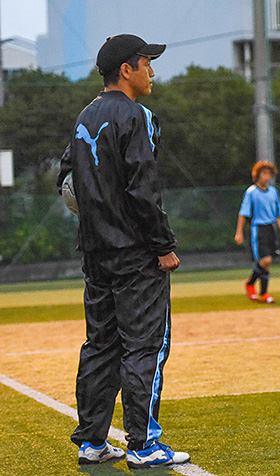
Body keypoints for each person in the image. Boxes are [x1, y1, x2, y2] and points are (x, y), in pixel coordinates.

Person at [56, 34, 190, 469]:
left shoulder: (85, 116)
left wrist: (98, 211)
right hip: (136, 255)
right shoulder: (138, 116)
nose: (152, 71)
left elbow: (66, 182)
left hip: (95, 253)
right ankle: (144, 446)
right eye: (146, 62)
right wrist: (163, 246)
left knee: (100, 345)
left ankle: (92, 442)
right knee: (145, 347)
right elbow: (142, 190)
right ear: (126, 70)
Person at [234, 161, 280, 303]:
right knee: (265, 260)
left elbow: (278, 214)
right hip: (258, 229)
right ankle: (251, 284)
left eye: (269, 174)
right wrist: (239, 232)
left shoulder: (273, 192)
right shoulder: (251, 192)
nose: (267, 177)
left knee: (267, 263)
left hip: (271, 228)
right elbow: (243, 213)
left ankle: (263, 292)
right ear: (257, 175)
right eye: (264, 173)